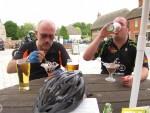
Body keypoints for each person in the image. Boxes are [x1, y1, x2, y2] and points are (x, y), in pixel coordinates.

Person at [83, 17, 149, 87]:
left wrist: (135, 78)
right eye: (115, 24)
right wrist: (100, 36)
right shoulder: (105, 44)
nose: (117, 26)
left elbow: (145, 68)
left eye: (121, 24)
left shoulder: (135, 47)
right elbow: (86, 57)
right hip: (104, 83)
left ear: (127, 30)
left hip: (124, 84)